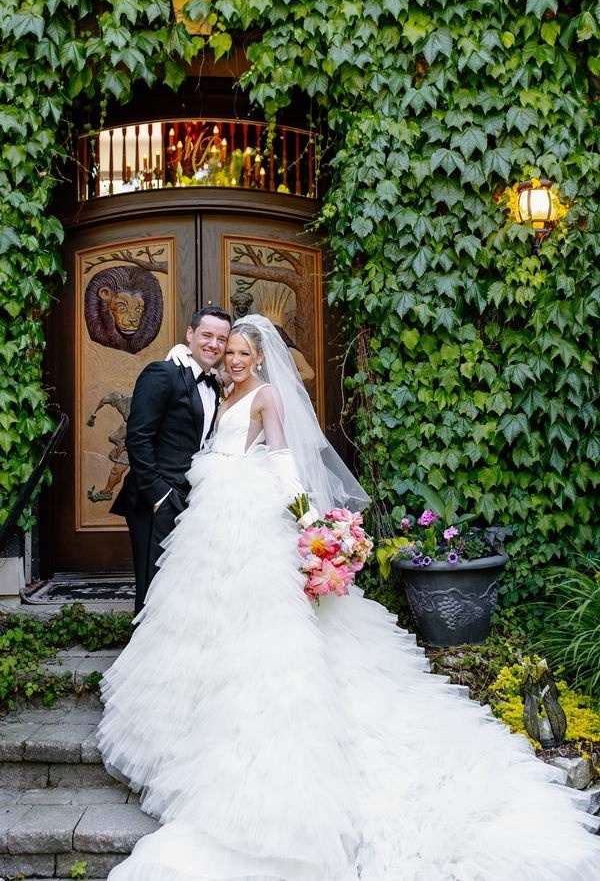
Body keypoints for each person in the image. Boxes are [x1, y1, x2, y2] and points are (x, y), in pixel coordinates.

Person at [98, 315, 599, 881]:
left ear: (259, 358)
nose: (233, 358)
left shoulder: (263, 396)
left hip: (247, 514)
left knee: (258, 618)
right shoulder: (213, 387)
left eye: (241, 351)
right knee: (200, 613)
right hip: (211, 512)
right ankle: (192, 708)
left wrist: (312, 525)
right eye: (228, 350)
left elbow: (284, 460)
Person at [111, 305, 231, 614]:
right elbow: (138, 436)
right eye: (206, 335)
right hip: (156, 498)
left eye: (221, 339)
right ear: (190, 334)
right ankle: (141, 659)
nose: (213, 344)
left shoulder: (213, 382)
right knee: (152, 588)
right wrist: (159, 494)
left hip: (187, 498)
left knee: (176, 586)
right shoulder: (162, 373)